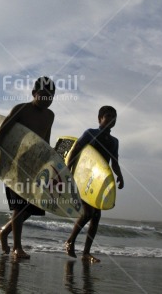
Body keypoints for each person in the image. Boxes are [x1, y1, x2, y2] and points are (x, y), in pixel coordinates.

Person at [0, 76, 56, 259]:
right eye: (43, 94)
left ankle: (4, 231)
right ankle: (16, 247)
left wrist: (48, 165)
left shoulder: (50, 116)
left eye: (51, 96)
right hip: (13, 164)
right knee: (19, 206)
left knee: (30, 208)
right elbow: (0, 134)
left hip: (33, 166)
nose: (47, 99)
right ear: (34, 93)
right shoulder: (21, 109)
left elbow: (45, 142)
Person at [64, 106, 124, 263]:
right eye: (108, 115)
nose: (111, 118)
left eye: (114, 116)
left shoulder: (114, 141)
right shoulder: (90, 133)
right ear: (100, 119)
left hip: (97, 181)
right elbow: (75, 150)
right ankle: (70, 241)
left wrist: (120, 176)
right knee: (89, 213)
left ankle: (85, 252)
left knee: (96, 217)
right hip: (83, 179)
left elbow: (114, 162)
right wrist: (68, 170)